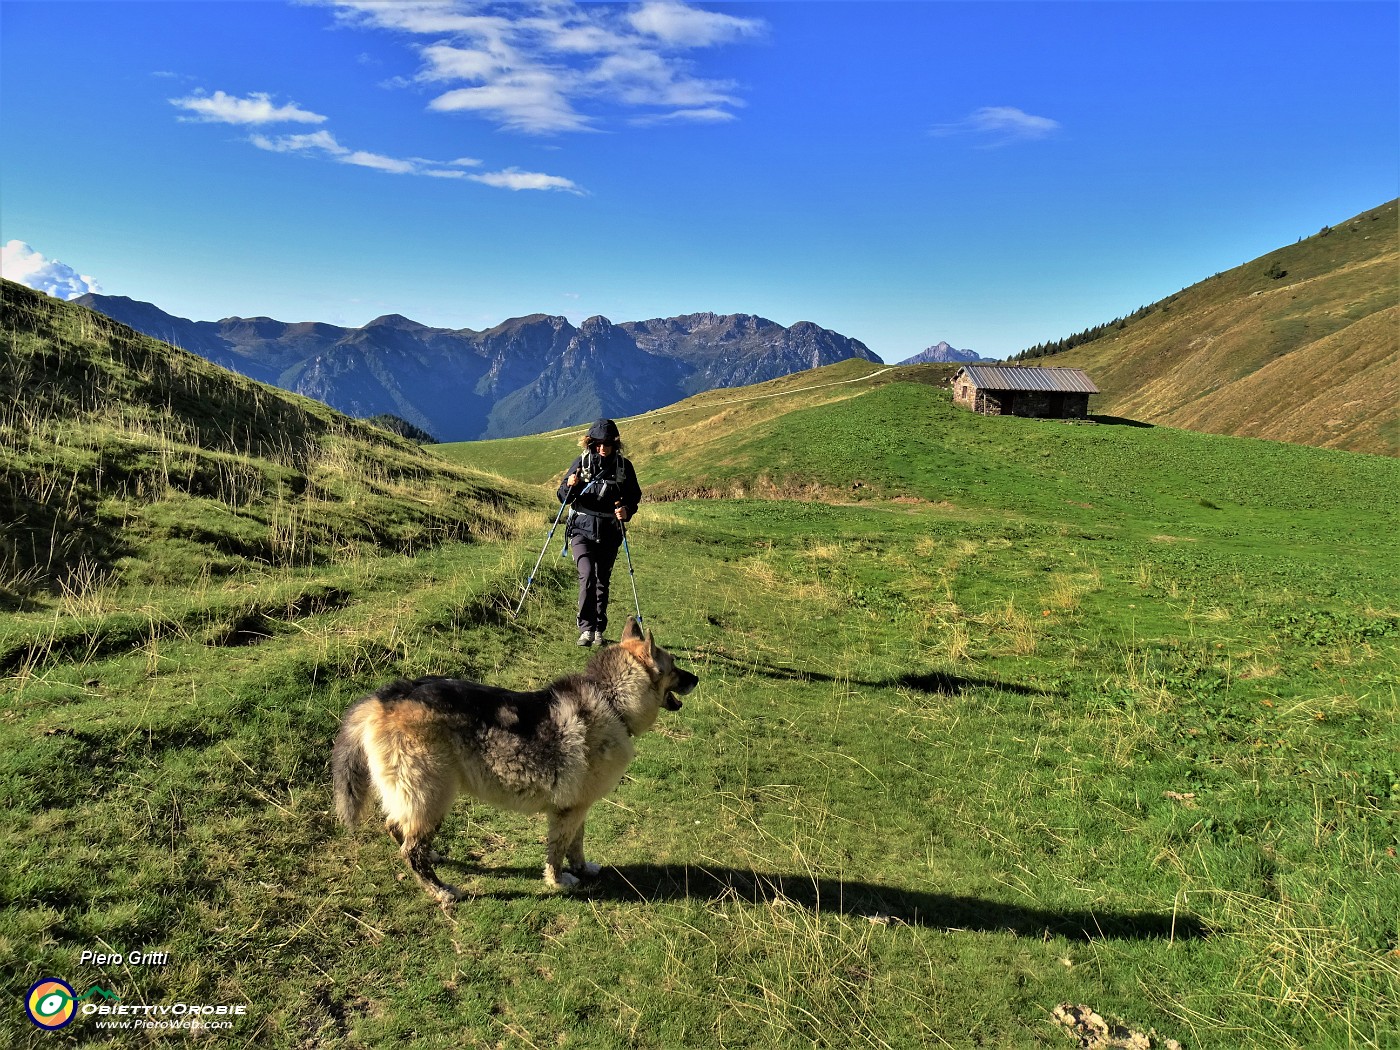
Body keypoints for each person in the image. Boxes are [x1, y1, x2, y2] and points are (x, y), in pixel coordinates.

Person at [556, 419, 642, 646]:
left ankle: (598, 631)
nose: (602, 448)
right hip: (580, 529)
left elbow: (634, 497)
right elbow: (563, 496)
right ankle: (586, 628)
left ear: (615, 443)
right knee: (587, 577)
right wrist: (569, 485)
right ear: (591, 443)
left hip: (609, 532)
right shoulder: (582, 463)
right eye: (598, 443)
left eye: (607, 444)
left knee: (602, 580)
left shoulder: (624, 467)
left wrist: (627, 511)